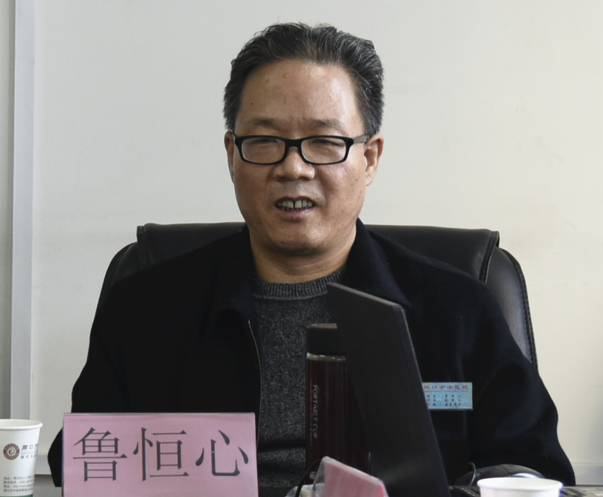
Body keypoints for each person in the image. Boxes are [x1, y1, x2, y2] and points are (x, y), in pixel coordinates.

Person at [48, 22, 575, 495]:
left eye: (324, 142)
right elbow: (84, 463)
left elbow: (532, 472)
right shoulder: (146, 307)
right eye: (265, 141)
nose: (294, 168)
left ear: (370, 158)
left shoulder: (456, 310)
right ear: (232, 154)